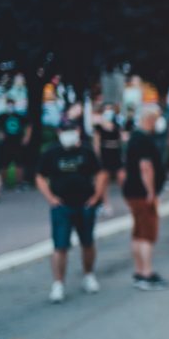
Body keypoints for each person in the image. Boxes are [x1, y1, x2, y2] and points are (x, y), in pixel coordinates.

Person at [35, 122, 106, 303]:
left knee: (88, 242)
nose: (69, 134)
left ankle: (88, 275)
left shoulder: (86, 151)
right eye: (64, 131)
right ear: (59, 133)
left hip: (85, 204)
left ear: (78, 131)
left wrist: (96, 196)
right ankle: (58, 283)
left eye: (72, 131)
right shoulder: (52, 152)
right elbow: (40, 176)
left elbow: (100, 173)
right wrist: (50, 198)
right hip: (62, 206)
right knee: (60, 246)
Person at [123, 105, 169, 291]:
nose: (157, 122)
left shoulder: (135, 137)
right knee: (147, 234)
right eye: (156, 118)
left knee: (138, 232)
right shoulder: (143, 140)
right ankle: (146, 274)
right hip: (142, 194)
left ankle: (139, 271)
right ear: (149, 118)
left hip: (132, 191)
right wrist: (151, 192)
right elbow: (146, 168)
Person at [93, 104, 124, 215]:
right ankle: (105, 204)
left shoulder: (117, 123)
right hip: (105, 153)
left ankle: (129, 200)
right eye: (106, 109)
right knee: (104, 179)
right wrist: (97, 157)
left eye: (110, 109)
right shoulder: (99, 126)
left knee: (122, 177)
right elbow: (96, 142)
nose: (108, 111)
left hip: (116, 152)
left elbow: (122, 137)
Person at [0, 98, 30, 188]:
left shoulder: (19, 116)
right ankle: (4, 184)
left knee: (20, 164)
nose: (10, 106)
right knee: (4, 165)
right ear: (6, 105)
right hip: (5, 144)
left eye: (12, 104)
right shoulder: (1, 116)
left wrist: (26, 137)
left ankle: (19, 183)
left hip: (18, 144)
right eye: (8, 104)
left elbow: (29, 125)